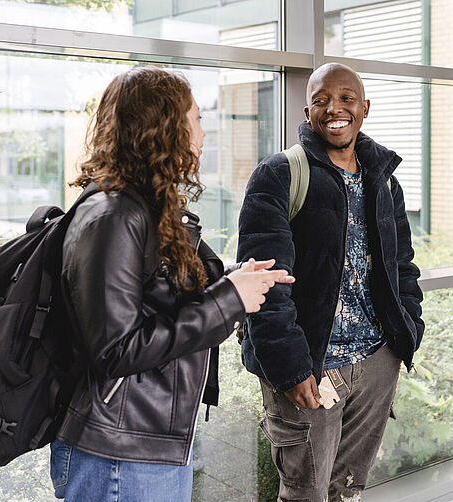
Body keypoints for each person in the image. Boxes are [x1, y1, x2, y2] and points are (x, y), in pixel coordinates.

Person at [48, 66, 293, 502]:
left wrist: (232, 283)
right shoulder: (115, 216)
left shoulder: (145, 208)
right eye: (196, 119)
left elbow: (159, 299)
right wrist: (229, 300)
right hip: (119, 455)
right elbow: (116, 350)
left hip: (143, 443)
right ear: (163, 128)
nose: (203, 133)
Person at [236, 62, 424, 502]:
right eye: (321, 100)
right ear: (307, 112)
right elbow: (265, 285)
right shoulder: (280, 174)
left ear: (365, 108)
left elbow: (402, 265)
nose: (334, 109)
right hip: (311, 367)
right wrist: (292, 369)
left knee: (349, 490)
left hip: (377, 361)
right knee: (305, 493)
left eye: (346, 99)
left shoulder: (383, 179)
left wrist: (405, 333)